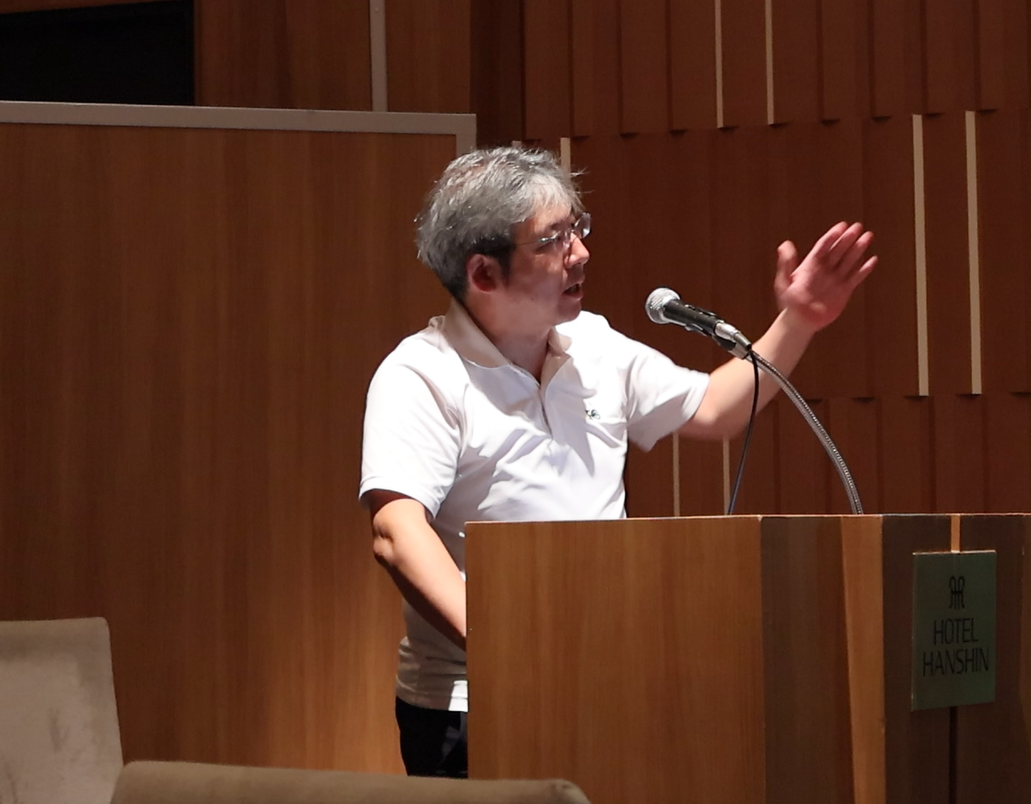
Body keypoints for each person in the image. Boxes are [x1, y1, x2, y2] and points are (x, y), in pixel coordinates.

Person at [358, 146, 875, 778]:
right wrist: (512, 648)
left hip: (607, 682)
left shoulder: (595, 346)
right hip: (477, 702)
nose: (580, 253)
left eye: (578, 228)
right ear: (484, 274)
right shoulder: (421, 374)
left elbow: (715, 408)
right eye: (553, 240)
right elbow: (397, 531)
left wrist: (798, 321)